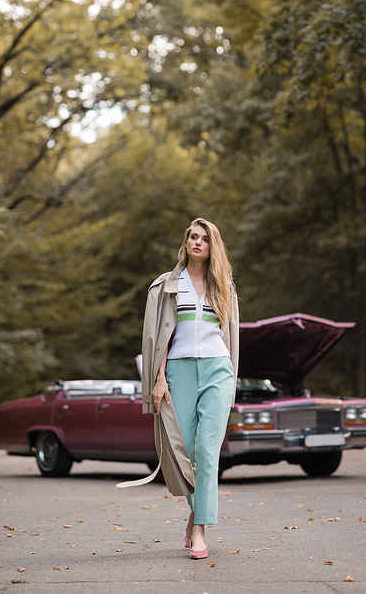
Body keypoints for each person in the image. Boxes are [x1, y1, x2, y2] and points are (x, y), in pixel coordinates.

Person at [141, 218, 239, 560]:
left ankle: (200, 529)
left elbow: (232, 337)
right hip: (178, 371)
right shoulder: (167, 286)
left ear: (213, 246)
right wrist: (158, 377)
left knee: (207, 452)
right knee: (182, 452)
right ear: (186, 244)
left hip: (217, 369)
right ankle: (195, 514)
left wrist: (232, 376)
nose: (197, 242)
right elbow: (157, 336)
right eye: (192, 237)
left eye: (204, 238)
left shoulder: (224, 285)